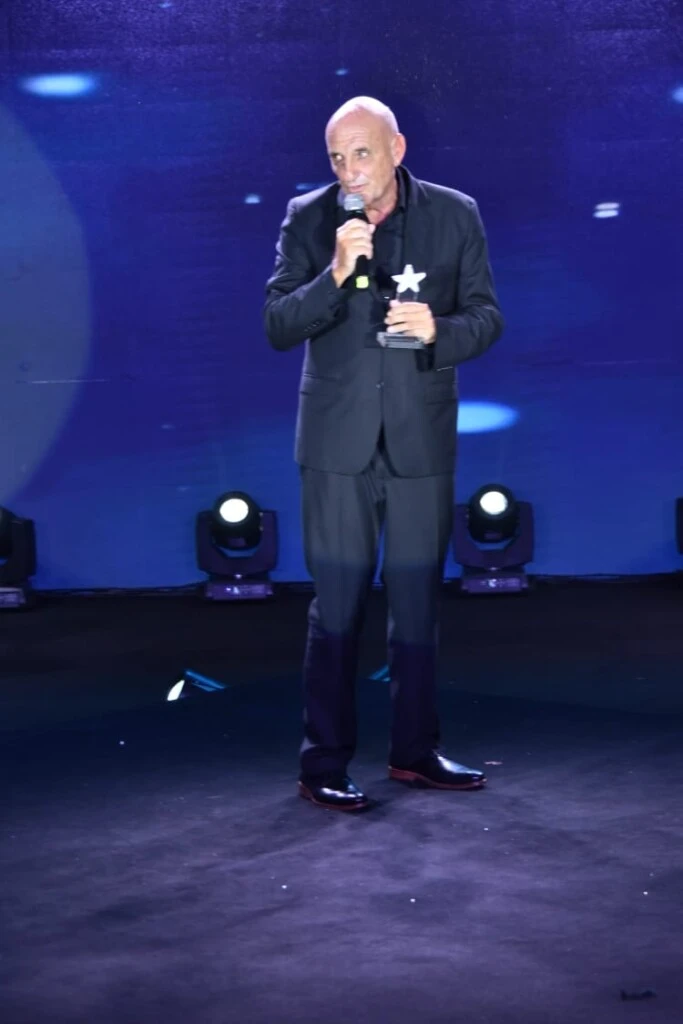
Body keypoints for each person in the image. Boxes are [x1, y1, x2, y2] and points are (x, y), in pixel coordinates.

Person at [264, 97, 504, 812]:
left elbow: (487, 316)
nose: (349, 171)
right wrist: (335, 273)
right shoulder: (308, 219)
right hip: (335, 447)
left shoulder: (454, 214)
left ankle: (414, 752)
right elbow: (278, 324)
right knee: (336, 607)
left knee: (416, 606)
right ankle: (322, 763)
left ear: (396, 149)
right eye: (337, 158)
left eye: (361, 154)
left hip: (418, 439)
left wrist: (438, 330)